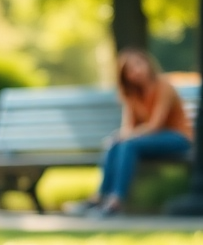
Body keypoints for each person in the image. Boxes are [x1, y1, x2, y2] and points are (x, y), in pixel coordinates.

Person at [73, 48, 191, 217]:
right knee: (115, 142)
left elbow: (155, 125)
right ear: (125, 76)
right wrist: (119, 136)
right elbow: (127, 127)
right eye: (129, 70)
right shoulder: (131, 94)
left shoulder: (164, 87)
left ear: (148, 63)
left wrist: (127, 136)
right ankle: (99, 197)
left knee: (128, 143)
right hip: (148, 140)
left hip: (177, 137)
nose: (136, 71)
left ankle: (116, 201)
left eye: (138, 64)